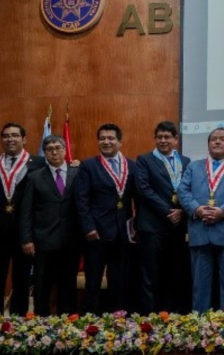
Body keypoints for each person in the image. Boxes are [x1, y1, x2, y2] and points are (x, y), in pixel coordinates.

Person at [178, 127, 224, 312]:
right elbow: (183, 191)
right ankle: (200, 327)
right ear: (208, 144)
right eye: (213, 139)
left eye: (223, 139)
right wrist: (196, 209)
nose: (218, 142)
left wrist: (223, 211)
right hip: (200, 230)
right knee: (200, 286)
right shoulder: (194, 166)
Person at [75, 123, 138, 314]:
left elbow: (138, 198)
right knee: (93, 280)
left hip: (123, 233)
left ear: (119, 141)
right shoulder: (88, 166)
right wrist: (88, 228)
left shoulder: (132, 165)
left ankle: (117, 320)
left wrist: (136, 227)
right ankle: (92, 322)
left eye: (110, 138)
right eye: (102, 138)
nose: (106, 142)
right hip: (97, 233)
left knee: (118, 280)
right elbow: (81, 200)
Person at [0, 122, 45, 315]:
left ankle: (18, 324)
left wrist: (74, 165)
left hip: (24, 233)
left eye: (15, 135)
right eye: (6, 136)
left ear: (24, 139)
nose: (10, 139)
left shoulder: (37, 162)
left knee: (21, 280)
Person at [20, 135, 82, 315]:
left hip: (71, 241)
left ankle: (67, 326)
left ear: (65, 150)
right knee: (42, 287)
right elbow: (27, 211)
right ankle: (41, 326)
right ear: (44, 153)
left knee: (68, 285)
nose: (54, 152)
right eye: (49, 149)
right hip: (43, 241)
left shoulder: (78, 173)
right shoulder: (34, 177)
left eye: (58, 148)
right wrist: (27, 239)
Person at [135, 121, 192, 314]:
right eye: (159, 137)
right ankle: (149, 318)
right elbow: (144, 190)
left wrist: (182, 211)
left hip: (177, 228)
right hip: (152, 227)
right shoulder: (144, 160)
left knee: (174, 273)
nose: (163, 140)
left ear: (176, 139)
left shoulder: (185, 162)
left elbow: (190, 190)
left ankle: (172, 315)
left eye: (167, 137)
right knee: (150, 275)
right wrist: (170, 211)